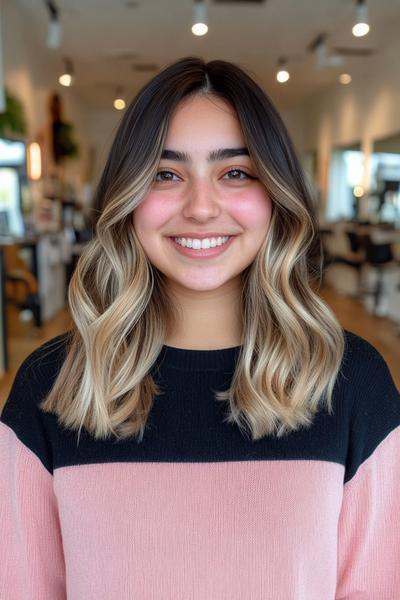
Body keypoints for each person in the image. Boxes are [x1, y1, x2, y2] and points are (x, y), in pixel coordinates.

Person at [1, 57, 399, 600]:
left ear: (276, 193)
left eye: (235, 172)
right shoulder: (52, 385)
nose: (201, 207)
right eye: (166, 174)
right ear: (127, 196)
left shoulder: (353, 382)